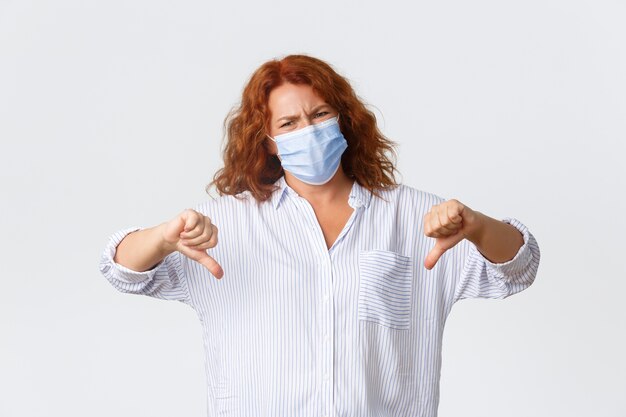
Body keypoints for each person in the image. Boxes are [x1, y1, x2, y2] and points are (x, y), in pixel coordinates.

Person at [99, 54, 541, 417]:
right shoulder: (224, 227)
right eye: (288, 123)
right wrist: (162, 237)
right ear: (268, 141)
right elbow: (120, 268)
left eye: (320, 114)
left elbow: (519, 269)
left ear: (343, 120)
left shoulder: (418, 218)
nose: (307, 130)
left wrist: (477, 226)